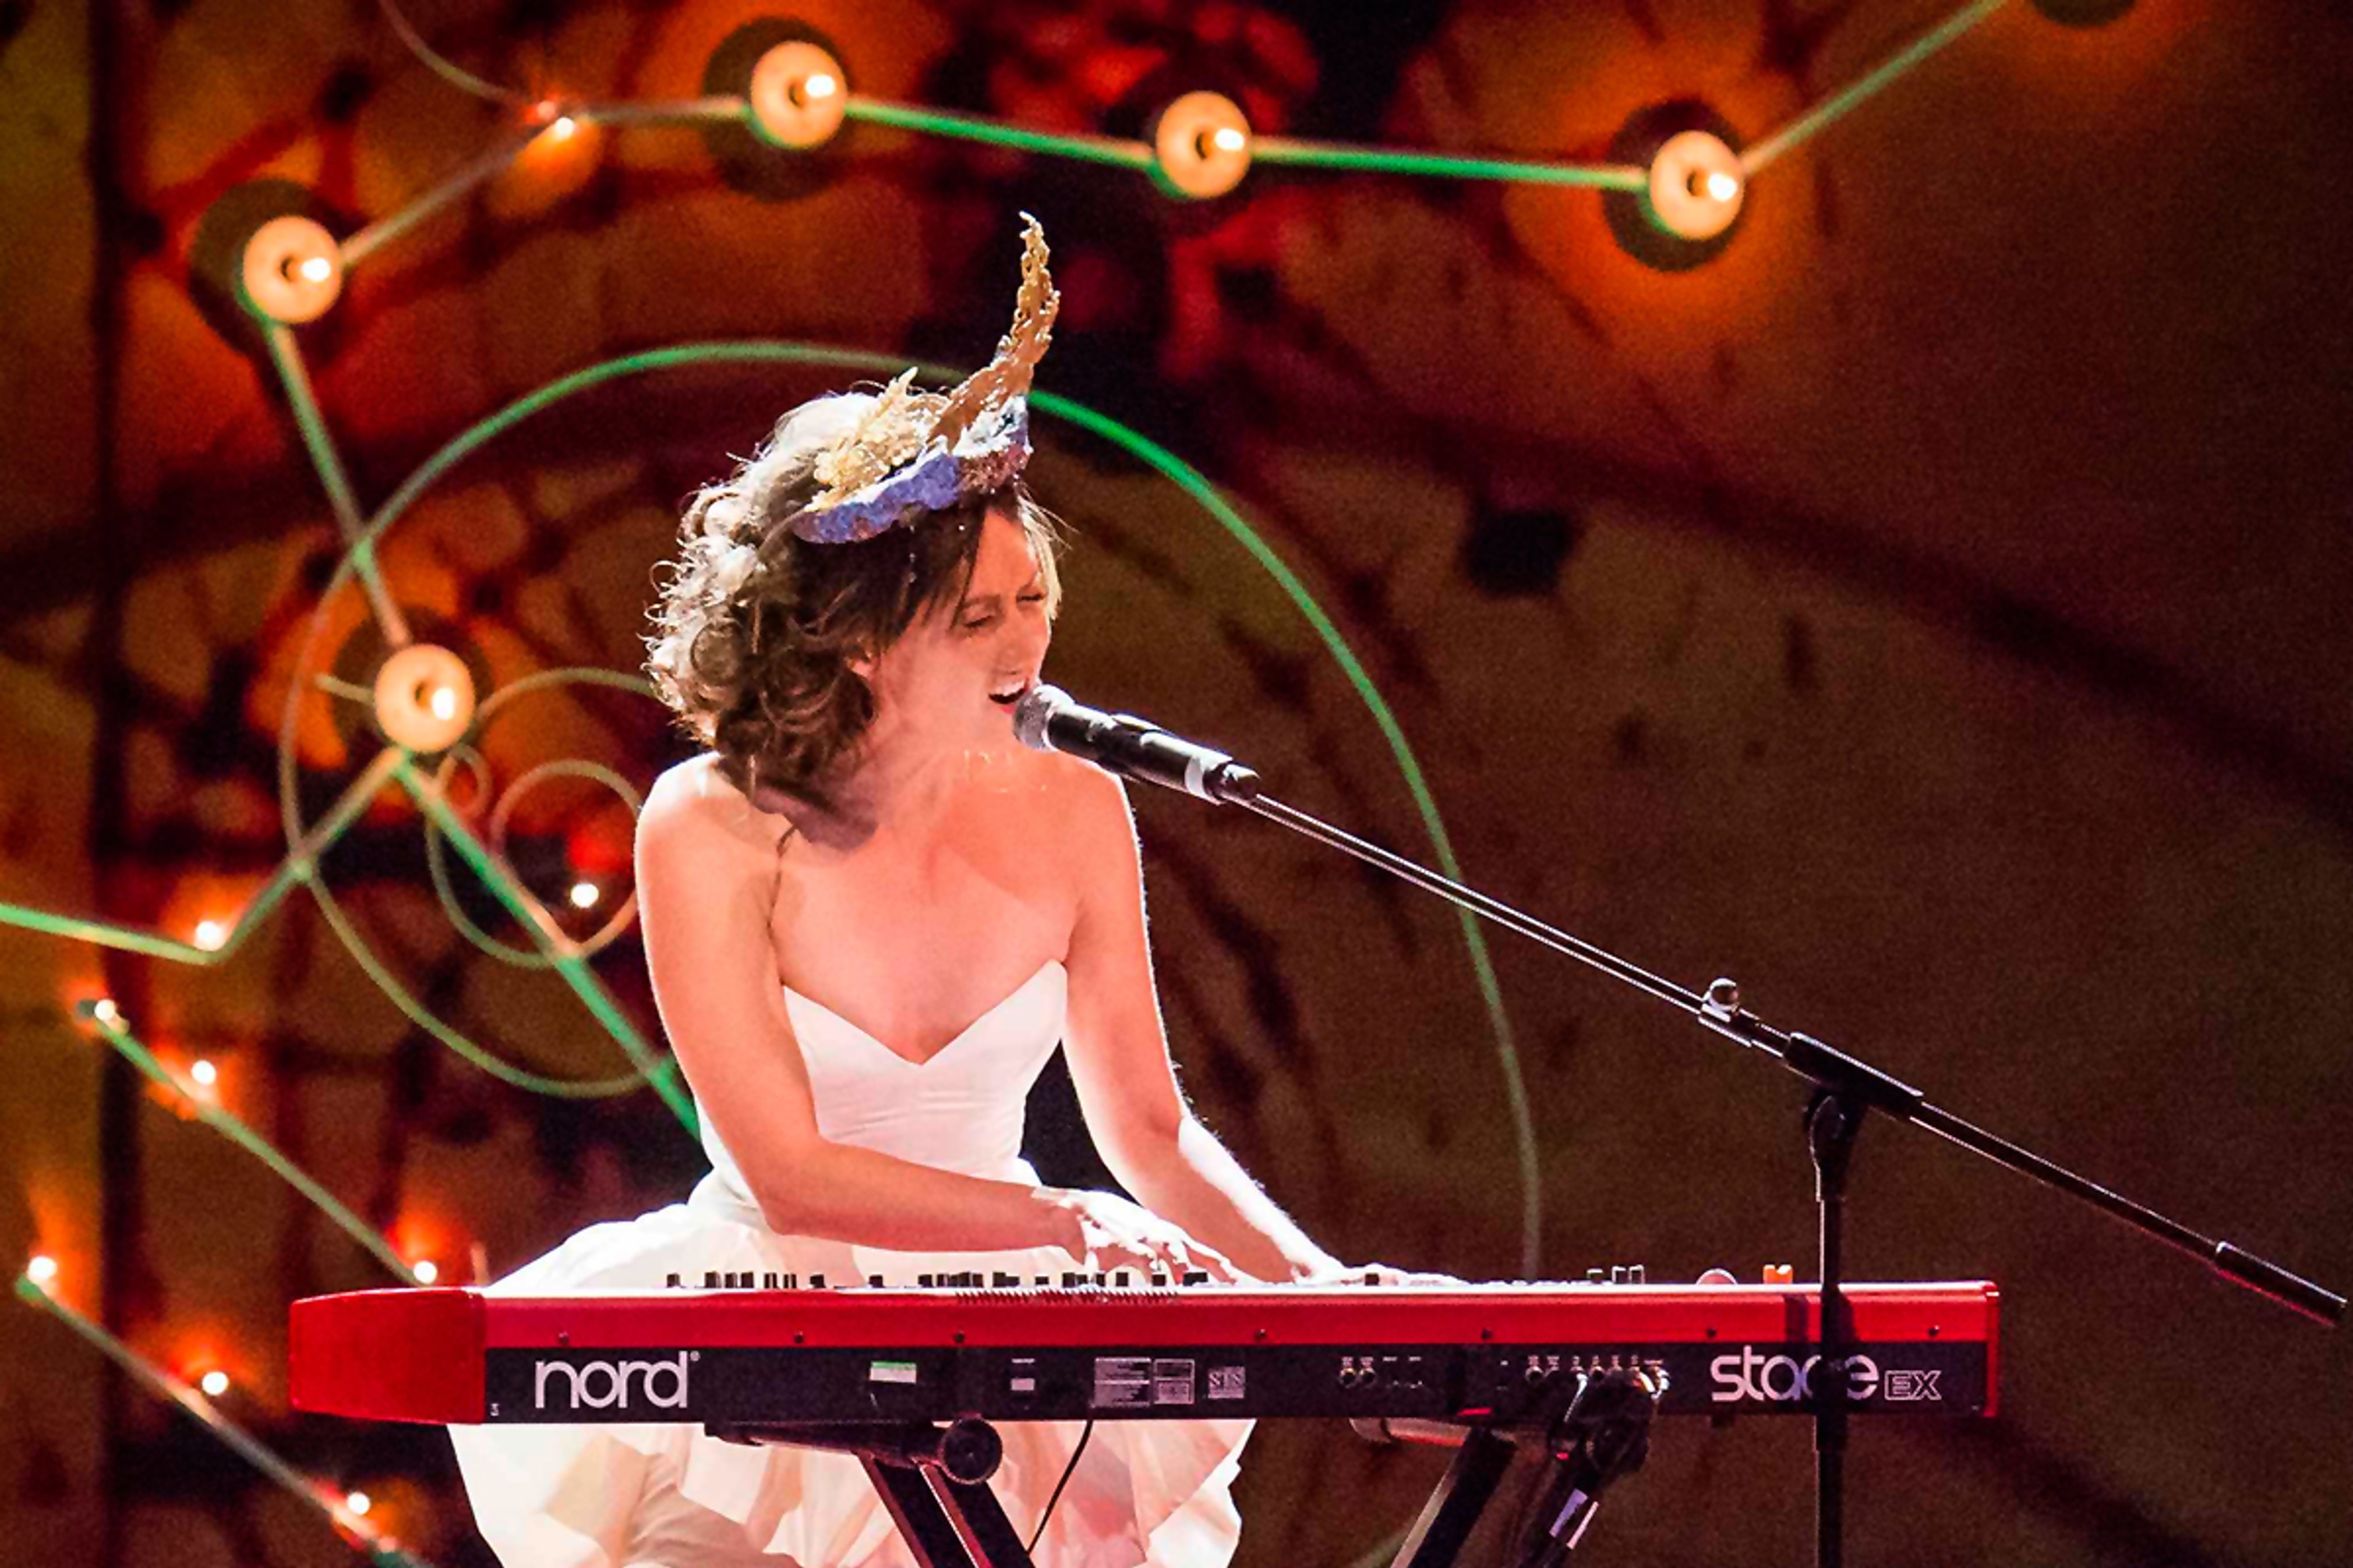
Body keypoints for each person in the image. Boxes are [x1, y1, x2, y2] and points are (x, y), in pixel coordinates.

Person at [448, 216, 1357, 1568]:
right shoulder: (711, 823)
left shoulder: (1077, 804)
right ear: (861, 641)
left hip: (1011, 1336)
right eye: (976, 617)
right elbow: (790, 1174)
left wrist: (1346, 1311)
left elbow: (1150, 1134)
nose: (1024, 644)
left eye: (1033, 599)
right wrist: (1062, 1223)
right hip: (772, 1324)